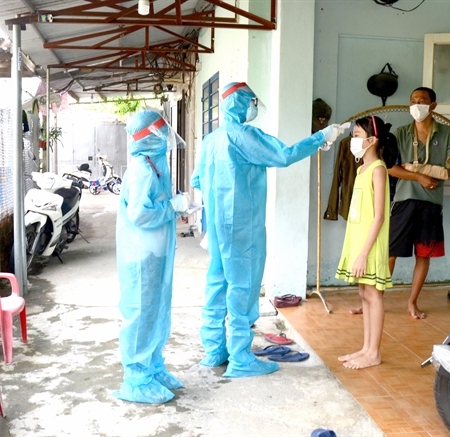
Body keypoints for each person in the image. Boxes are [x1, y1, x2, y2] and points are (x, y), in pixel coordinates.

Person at [191, 82, 344, 377]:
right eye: (252, 101)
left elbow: (198, 181)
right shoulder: (244, 135)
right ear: (241, 103)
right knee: (242, 287)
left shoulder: (211, 139)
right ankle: (240, 359)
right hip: (243, 227)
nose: (254, 106)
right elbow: (284, 155)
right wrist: (321, 137)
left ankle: (214, 351)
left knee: (217, 286)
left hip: (218, 227)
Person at [351, 87, 450, 319]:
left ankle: (412, 302)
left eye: (421, 101)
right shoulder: (401, 134)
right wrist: (420, 175)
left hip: (431, 203)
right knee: (389, 252)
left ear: (433, 106)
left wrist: (411, 167)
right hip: (404, 200)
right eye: (413, 100)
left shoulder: (448, 134)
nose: (416, 105)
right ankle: (374, 301)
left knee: (423, 255)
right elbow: (390, 167)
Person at [114, 110, 190, 404]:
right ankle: (136, 379)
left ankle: (153, 367)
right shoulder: (142, 170)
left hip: (155, 252)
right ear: (149, 138)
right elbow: (139, 214)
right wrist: (172, 207)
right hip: (142, 255)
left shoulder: (153, 164)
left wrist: (174, 207)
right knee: (142, 314)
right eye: (161, 133)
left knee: (157, 311)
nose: (166, 139)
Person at [336, 116, 394, 369]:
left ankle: (374, 353)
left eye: (357, 135)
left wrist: (363, 253)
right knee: (364, 294)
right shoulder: (361, 169)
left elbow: (379, 217)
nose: (353, 140)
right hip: (359, 244)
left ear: (372, 140)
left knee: (373, 295)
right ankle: (366, 348)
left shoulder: (378, 169)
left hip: (371, 246)